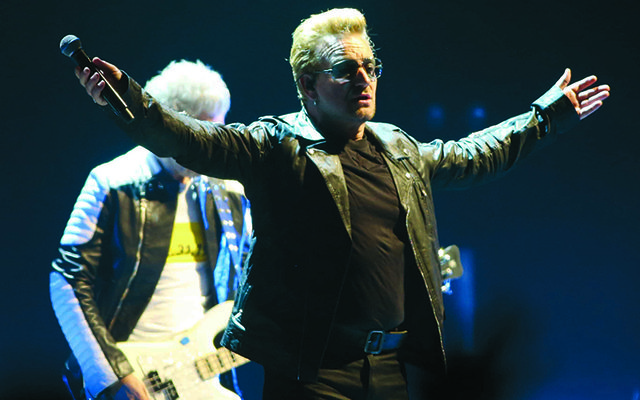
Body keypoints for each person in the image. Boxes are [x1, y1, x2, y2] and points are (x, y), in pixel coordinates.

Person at [70, 8, 610, 400]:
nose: (364, 78)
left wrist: (545, 116)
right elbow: (190, 139)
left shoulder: (398, 148)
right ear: (308, 84)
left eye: (371, 67)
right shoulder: (276, 146)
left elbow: (475, 154)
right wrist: (129, 102)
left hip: (390, 368)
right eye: (347, 69)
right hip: (314, 375)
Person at [51, 59, 255, 400]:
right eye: (203, 132)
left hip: (204, 375)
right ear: (169, 125)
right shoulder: (114, 182)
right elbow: (67, 279)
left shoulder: (230, 190)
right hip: (130, 374)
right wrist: (110, 374)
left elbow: (256, 277)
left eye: (219, 132)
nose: (213, 145)